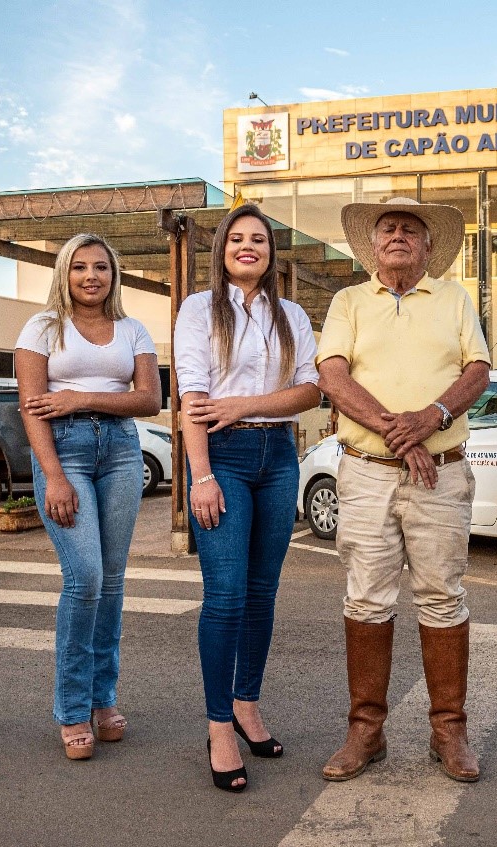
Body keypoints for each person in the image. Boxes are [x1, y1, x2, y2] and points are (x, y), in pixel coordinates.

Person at [317, 197, 491, 783]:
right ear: (373, 244)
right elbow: (332, 376)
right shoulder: (348, 301)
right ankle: (365, 731)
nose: (396, 235)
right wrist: (403, 431)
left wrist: (435, 414)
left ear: (426, 245)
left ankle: (450, 729)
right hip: (366, 470)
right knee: (366, 597)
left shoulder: (454, 297)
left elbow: (478, 371)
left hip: (440, 471)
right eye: (387, 228)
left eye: (408, 229)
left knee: (442, 594)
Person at [174, 204, 321, 792]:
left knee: (262, 595)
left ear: (270, 252)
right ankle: (219, 727)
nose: (248, 246)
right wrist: (201, 476)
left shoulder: (290, 314)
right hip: (224, 460)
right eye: (237, 238)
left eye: (258, 239)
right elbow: (192, 398)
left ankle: (247, 702)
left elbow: (310, 391)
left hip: (278, 458)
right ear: (222, 248)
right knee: (227, 596)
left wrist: (242, 406)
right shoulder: (198, 310)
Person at [15, 234, 161, 760]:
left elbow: (150, 399)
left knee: (114, 580)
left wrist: (83, 396)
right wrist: (52, 475)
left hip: (122, 450)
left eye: (101, 267)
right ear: (64, 273)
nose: (91, 276)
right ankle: (73, 709)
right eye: (80, 267)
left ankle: (104, 700)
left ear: (113, 275)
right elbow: (32, 407)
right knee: (86, 579)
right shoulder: (42, 327)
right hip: (65, 452)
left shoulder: (134, 329)